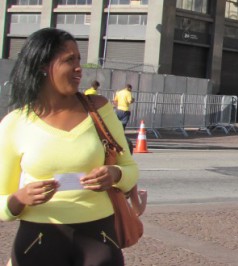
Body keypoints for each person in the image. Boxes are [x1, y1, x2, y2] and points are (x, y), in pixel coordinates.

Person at [0, 28, 139, 265]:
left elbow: (130, 169)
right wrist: (20, 198)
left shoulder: (99, 109)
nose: (78, 68)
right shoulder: (15, 123)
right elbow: (2, 201)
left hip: (99, 235)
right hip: (38, 238)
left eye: (78, 59)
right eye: (68, 60)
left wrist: (114, 174)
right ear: (43, 65)